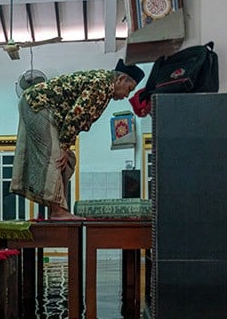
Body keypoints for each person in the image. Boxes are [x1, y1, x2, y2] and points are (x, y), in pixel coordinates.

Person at [10, 59, 144, 219]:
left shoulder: (103, 84)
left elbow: (77, 118)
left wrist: (66, 147)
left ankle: (55, 208)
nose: (126, 95)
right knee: (55, 157)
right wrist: (64, 146)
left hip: (36, 103)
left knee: (68, 161)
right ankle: (57, 211)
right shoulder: (101, 86)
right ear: (121, 79)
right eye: (129, 89)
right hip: (39, 105)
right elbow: (77, 115)